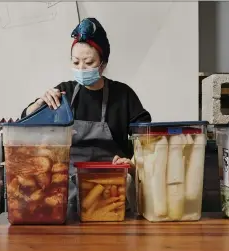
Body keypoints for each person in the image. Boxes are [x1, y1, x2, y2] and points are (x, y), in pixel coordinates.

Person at [21, 18, 152, 212]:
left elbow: (147, 140)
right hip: (64, 196)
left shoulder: (123, 95)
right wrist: (40, 102)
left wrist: (131, 163)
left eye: (88, 62)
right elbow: (25, 121)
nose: (81, 68)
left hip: (111, 195)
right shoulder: (64, 93)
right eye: (76, 62)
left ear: (103, 64)